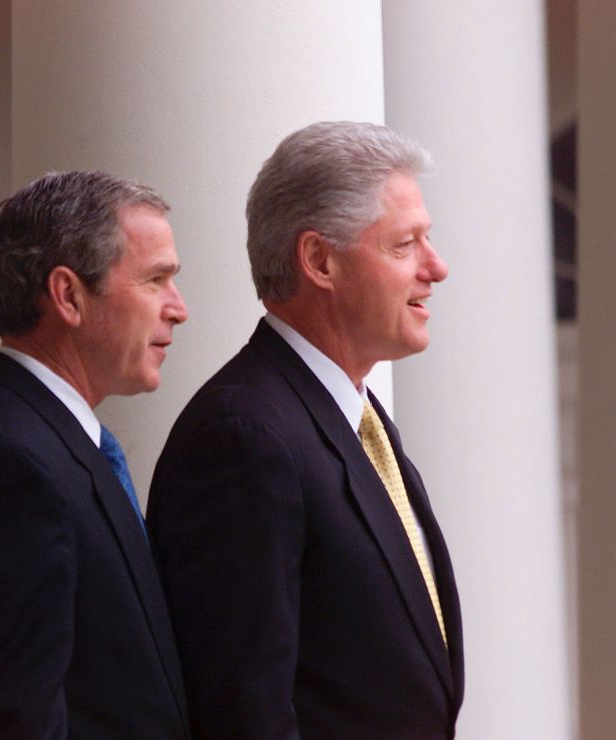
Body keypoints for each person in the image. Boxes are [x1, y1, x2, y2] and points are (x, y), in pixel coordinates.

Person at [148, 122, 464, 739]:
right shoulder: (244, 437)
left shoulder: (356, 419)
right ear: (320, 260)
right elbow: (242, 713)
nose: (437, 266)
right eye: (405, 245)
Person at [0, 170, 191, 738]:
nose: (178, 308)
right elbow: (8, 719)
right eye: (156, 280)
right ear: (69, 295)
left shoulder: (49, 446)